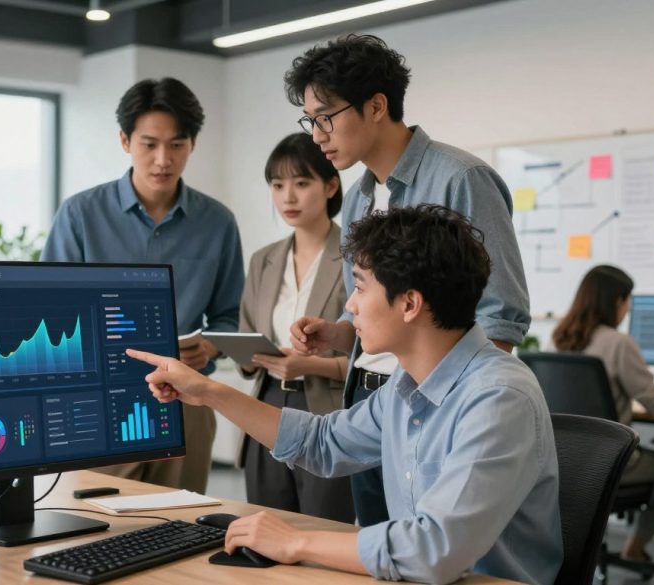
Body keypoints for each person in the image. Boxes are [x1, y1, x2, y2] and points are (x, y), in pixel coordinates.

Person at [126, 205, 562, 584]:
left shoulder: (498, 397)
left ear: (409, 304)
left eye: (360, 287)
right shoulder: (404, 389)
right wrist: (208, 391)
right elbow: (322, 442)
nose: (350, 306)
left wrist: (297, 542)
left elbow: (435, 549)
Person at [284, 34, 532, 526]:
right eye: (310, 120)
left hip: (434, 402)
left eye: (326, 117)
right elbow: (379, 301)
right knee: (379, 546)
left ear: (376, 106)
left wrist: (455, 409)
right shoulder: (357, 197)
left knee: (432, 552)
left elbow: (501, 316)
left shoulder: (460, 179)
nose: (317, 135)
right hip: (368, 397)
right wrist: (338, 332)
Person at [41, 77, 244, 494]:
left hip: (188, 401)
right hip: (100, 404)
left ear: (193, 144)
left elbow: (230, 316)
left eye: (176, 144)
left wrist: (208, 346)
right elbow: (52, 311)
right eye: (149, 144)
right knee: (95, 528)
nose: (162, 159)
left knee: (182, 526)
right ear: (124, 140)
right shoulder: (80, 214)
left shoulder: (217, 222)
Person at [236, 133, 352, 522]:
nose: (288, 197)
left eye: (302, 183)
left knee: (322, 528)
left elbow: (374, 356)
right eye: (278, 185)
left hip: (327, 411)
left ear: (330, 185)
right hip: (266, 402)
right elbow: (246, 339)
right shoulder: (263, 261)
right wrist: (252, 355)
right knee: (266, 528)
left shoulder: (355, 256)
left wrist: (309, 366)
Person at [550, 264, 654, 562]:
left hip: (565, 460)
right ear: (616, 301)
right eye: (628, 301)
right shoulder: (618, 343)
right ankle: (634, 549)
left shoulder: (557, 339)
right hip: (612, 462)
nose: (628, 309)